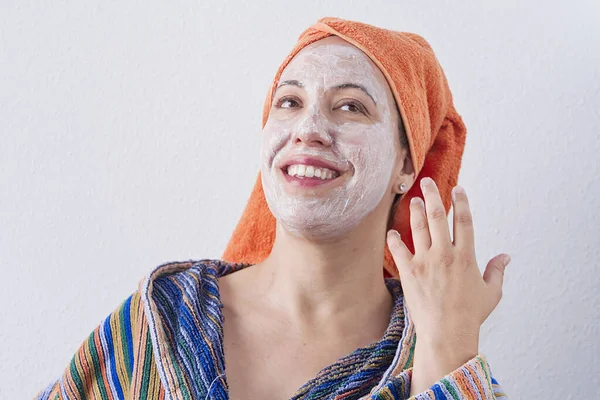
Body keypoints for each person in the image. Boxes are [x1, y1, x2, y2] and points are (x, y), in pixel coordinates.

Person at [36, 17, 511, 400]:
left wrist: (448, 352)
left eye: (350, 107)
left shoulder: (437, 343)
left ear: (406, 164)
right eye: (289, 101)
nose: (308, 128)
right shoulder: (163, 317)